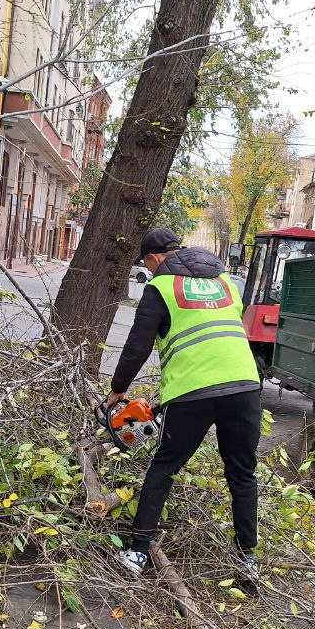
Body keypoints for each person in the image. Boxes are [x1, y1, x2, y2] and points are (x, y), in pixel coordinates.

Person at [106, 227, 262, 580]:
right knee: (242, 473)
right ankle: (247, 558)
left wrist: (117, 391)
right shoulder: (226, 282)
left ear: (153, 258)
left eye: (147, 261)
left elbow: (137, 345)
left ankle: (138, 552)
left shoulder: (160, 287)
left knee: (165, 466)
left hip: (193, 391)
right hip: (244, 385)